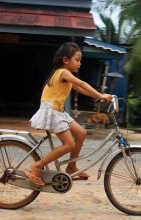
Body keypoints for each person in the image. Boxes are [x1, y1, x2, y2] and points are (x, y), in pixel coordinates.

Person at [23, 42, 112, 187]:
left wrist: (97, 96)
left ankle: (71, 167)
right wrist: (101, 96)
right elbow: (82, 84)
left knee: (81, 133)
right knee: (69, 144)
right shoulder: (63, 72)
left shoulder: (65, 74)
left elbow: (80, 88)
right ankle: (37, 166)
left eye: (80, 60)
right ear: (66, 60)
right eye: (77, 60)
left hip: (59, 111)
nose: (79, 64)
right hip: (52, 112)